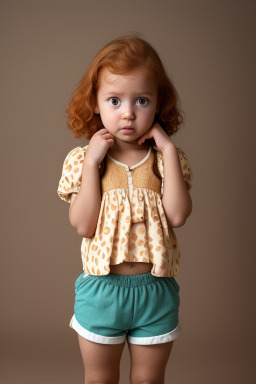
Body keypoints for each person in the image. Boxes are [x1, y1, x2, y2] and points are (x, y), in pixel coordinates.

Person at [57, 35, 193, 384]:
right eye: (115, 100)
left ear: (158, 102)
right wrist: (91, 165)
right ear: (97, 103)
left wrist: (168, 148)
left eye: (142, 100)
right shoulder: (83, 161)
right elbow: (83, 224)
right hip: (102, 291)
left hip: (155, 291)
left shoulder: (166, 161)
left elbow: (178, 215)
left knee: (149, 379)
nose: (128, 112)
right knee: (100, 378)